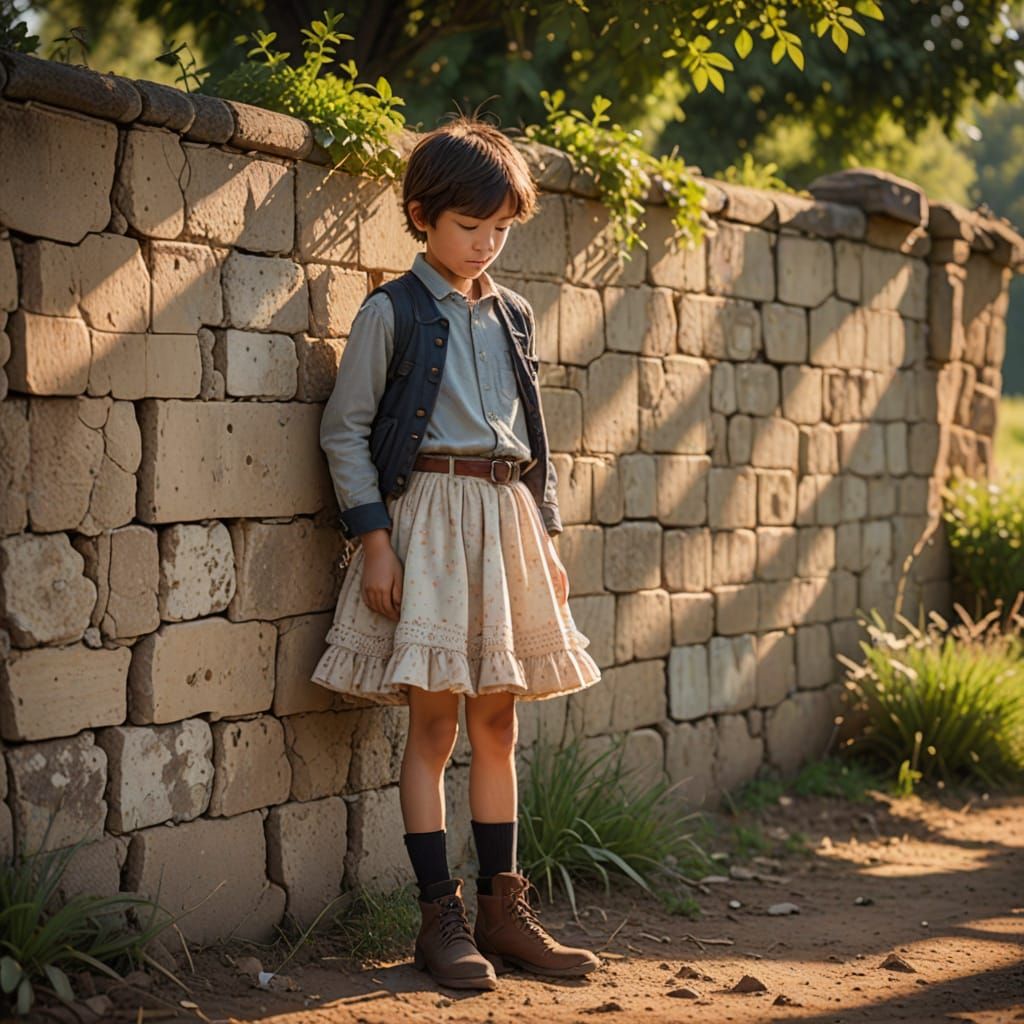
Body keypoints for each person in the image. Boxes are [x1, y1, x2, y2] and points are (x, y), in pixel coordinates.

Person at [312, 114, 603, 991]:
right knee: (434, 724)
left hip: (507, 517)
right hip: (428, 523)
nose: (486, 244)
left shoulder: (513, 312)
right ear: (421, 215)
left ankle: (503, 913)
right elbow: (345, 430)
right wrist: (375, 542)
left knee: (500, 722)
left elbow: (536, 439)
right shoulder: (390, 311)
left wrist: (545, 539)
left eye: (501, 228)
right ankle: (439, 919)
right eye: (469, 226)